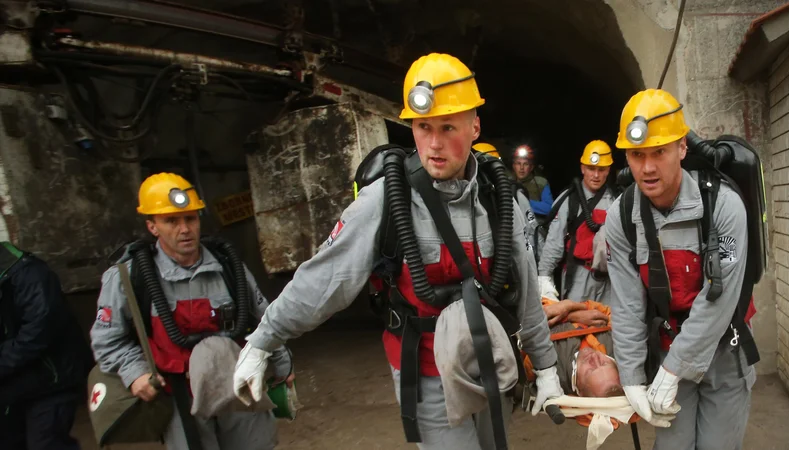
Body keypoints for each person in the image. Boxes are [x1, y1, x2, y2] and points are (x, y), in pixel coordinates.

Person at [233, 53, 562, 450]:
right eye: (424, 127)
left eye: (448, 127)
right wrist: (263, 340)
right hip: (426, 373)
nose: (435, 144)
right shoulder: (385, 201)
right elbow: (325, 278)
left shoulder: (499, 200)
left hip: (489, 363)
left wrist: (545, 366)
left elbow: (525, 286)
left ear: (475, 126)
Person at [90, 172, 293, 450]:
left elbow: (265, 319)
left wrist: (282, 364)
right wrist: (134, 373)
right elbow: (106, 339)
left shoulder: (229, 267)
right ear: (152, 226)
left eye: (190, 218)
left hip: (238, 385)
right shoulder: (128, 277)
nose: (184, 229)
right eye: (171, 221)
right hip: (178, 395)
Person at [605, 88, 757, 446]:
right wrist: (631, 376)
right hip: (667, 346)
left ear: (682, 149)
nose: (647, 167)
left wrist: (676, 368)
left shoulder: (723, 205)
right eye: (637, 155)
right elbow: (627, 304)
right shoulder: (622, 216)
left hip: (724, 350)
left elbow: (719, 300)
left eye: (659, 152)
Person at [0, 243, 93, 450]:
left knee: (46, 444)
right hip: (12, 385)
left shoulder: (28, 273)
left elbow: (38, 333)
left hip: (52, 380)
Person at [536, 140, 616, 303]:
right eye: (591, 168)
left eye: (601, 170)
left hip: (610, 279)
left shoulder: (617, 200)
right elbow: (554, 242)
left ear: (608, 170)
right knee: (577, 325)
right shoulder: (569, 199)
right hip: (578, 275)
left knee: (608, 324)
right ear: (582, 168)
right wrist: (544, 276)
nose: (596, 175)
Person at [512, 144, 552, 216]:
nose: (521, 168)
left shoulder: (541, 183)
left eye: (526, 164)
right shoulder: (507, 183)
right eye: (518, 163)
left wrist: (523, 202)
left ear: (531, 167)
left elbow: (549, 208)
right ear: (514, 166)